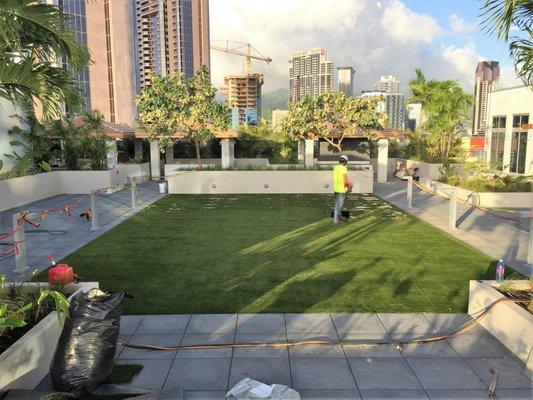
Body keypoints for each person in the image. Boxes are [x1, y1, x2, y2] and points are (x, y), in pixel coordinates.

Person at [333, 155, 353, 224]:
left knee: (337, 203)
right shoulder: (344, 168)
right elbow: (345, 181)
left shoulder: (336, 167)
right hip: (342, 190)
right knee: (339, 205)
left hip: (336, 189)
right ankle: (336, 220)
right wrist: (349, 185)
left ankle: (340, 216)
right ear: (345, 162)